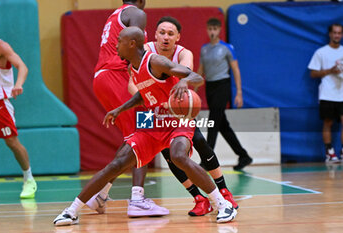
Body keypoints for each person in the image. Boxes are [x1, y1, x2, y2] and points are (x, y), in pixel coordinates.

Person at [53, 26, 237, 226]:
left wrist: (184, 82)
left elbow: (196, 77)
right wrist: (120, 109)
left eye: (119, 41)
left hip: (177, 120)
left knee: (178, 156)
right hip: (153, 124)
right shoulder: (133, 67)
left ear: (132, 44)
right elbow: (143, 94)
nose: (116, 45)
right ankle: (71, 211)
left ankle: (222, 204)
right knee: (117, 164)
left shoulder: (155, 61)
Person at [139, 16, 238, 216]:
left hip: (178, 107)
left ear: (177, 37)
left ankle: (224, 191)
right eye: (162, 33)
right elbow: (133, 82)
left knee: (200, 142)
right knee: (168, 156)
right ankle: (199, 198)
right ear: (155, 35)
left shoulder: (183, 53)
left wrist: (184, 81)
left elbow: (189, 72)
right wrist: (146, 101)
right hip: (151, 108)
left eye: (170, 34)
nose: (166, 37)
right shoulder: (146, 51)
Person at [88, 0, 168, 217]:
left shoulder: (116, 14)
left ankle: (101, 195)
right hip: (116, 74)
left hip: (103, 76)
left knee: (134, 138)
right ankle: (137, 200)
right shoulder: (136, 13)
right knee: (144, 134)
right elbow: (138, 53)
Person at [197, 18, 252, 171]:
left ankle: (207, 159)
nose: (212, 31)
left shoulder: (227, 48)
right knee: (222, 125)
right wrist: (193, 89)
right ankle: (243, 155)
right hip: (210, 86)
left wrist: (239, 93)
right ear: (207, 30)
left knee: (213, 121)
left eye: (215, 28)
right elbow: (201, 70)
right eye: (210, 28)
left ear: (219, 30)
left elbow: (236, 70)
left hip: (223, 85)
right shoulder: (204, 48)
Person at [0, 16, 37, 199]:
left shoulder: (0, 46)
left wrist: (18, 84)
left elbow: (22, 66)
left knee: (11, 142)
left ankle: (29, 179)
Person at [308, 23, 343, 163]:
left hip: (342, 94)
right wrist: (330, 70)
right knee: (328, 122)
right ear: (330, 34)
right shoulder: (321, 52)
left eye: (339, 33)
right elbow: (313, 73)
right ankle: (329, 152)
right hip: (327, 94)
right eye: (335, 33)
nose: (337, 35)